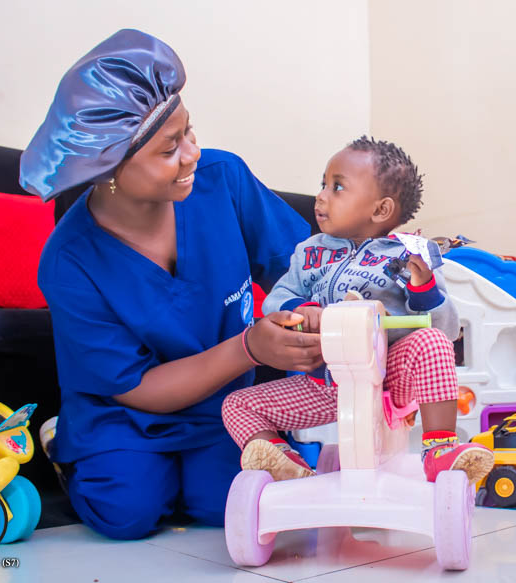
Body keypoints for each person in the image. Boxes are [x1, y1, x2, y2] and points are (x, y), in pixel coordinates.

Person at [20, 29, 324, 540]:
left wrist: (318, 312)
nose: (192, 154)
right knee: (125, 514)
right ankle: (67, 443)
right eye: (169, 149)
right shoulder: (70, 261)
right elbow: (137, 387)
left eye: (189, 132)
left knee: (228, 504)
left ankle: (202, 471)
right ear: (108, 167)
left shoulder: (223, 180)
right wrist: (250, 346)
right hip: (124, 413)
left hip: (225, 405)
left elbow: (305, 269)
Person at [221, 137, 494, 485]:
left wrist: (423, 286)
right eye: (323, 184)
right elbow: (278, 298)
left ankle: (439, 450)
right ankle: (285, 463)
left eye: (337, 187)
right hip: (325, 384)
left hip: (390, 374)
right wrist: (302, 310)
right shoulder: (308, 252)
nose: (321, 196)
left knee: (433, 343)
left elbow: (445, 328)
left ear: (380, 210)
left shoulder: (408, 254)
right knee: (236, 405)